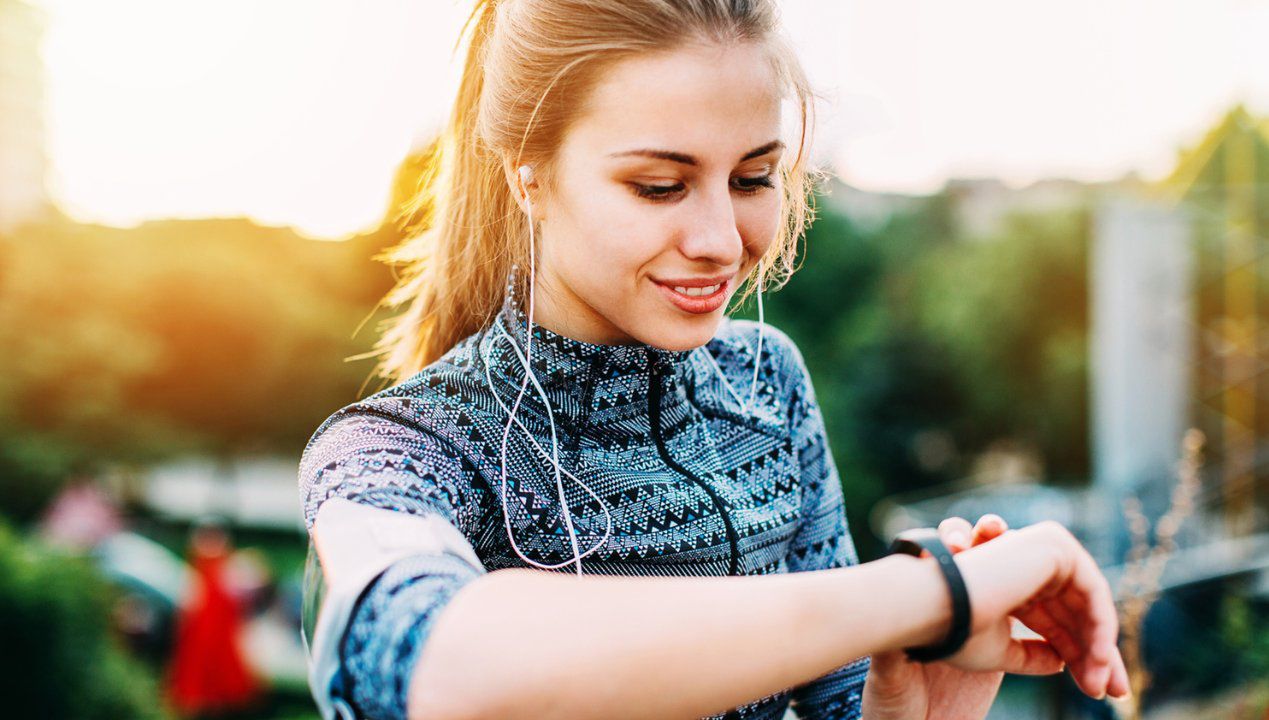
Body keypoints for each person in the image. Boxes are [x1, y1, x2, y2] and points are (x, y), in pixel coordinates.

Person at [296, 1, 1131, 718]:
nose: (720, 243)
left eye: (753, 177)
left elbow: (840, 698)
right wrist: (930, 594)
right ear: (530, 177)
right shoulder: (404, 448)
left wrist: (913, 698)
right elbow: (421, 661)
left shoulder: (768, 381)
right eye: (659, 186)